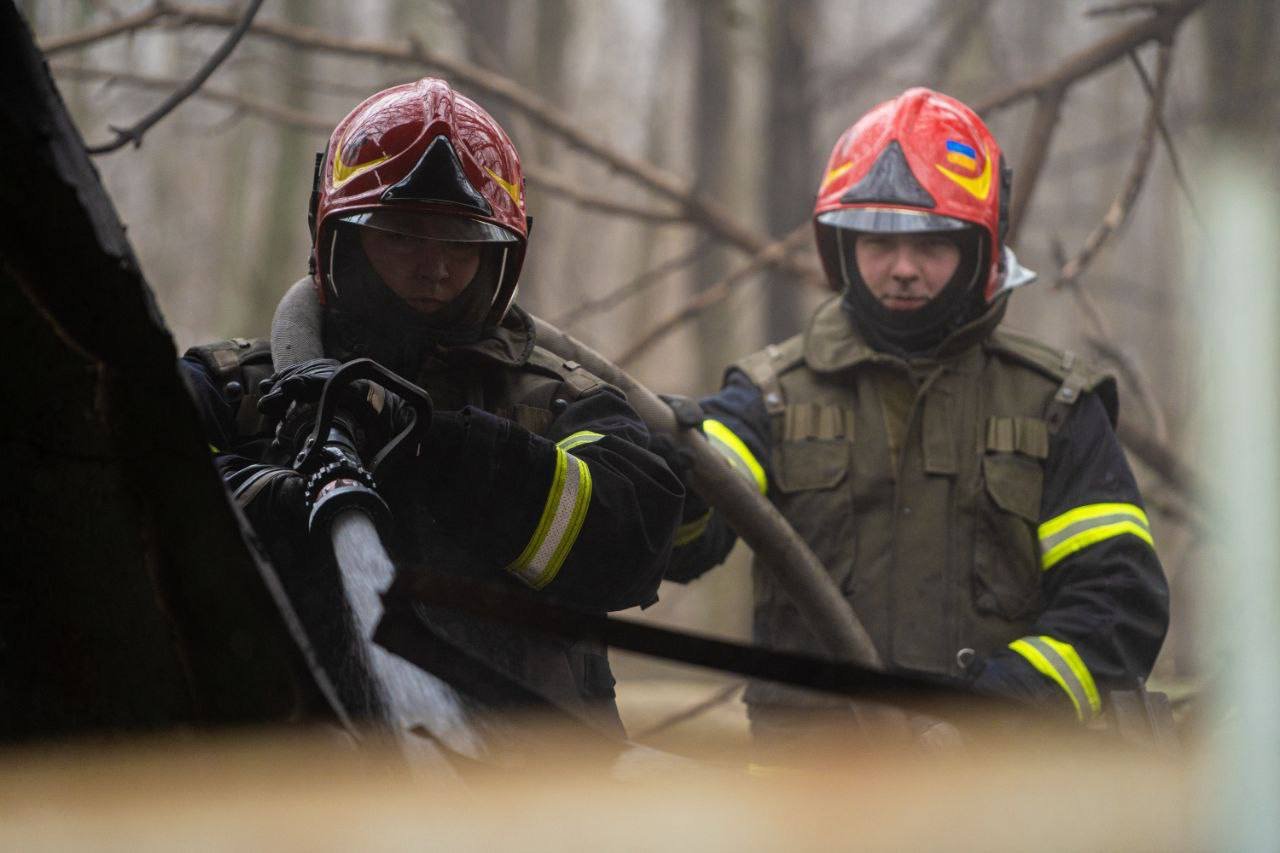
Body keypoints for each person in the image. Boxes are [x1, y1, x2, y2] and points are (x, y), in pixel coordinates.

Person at [180, 77, 682, 744]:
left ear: (501, 252)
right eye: (403, 234)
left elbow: (631, 537)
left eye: (461, 239)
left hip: (538, 811)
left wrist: (437, 448)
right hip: (292, 804)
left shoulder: (558, 402)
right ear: (343, 240)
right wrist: (263, 498)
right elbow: (114, 493)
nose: (435, 268)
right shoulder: (235, 392)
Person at [665, 88, 1169, 743]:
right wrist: (662, 471)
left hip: (1002, 801)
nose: (902, 269)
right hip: (804, 809)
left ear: (981, 250)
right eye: (878, 242)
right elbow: (685, 535)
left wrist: (1002, 704)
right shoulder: (768, 396)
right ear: (841, 247)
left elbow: (1119, 602)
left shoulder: (1055, 408)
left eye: (931, 243)